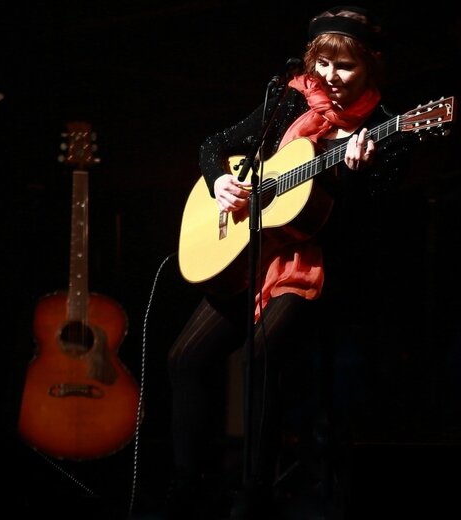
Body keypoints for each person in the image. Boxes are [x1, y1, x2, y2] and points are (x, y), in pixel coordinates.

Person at [167, 6, 420, 519]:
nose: (330, 76)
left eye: (345, 66)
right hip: (251, 253)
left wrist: (355, 176)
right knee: (184, 360)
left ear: (371, 67)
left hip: (320, 267)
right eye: (322, 63)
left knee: (261, 356)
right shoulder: (290, 103)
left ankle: (253, 496)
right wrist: (221, 182)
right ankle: (187, 488)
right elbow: (214, 145)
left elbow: (375, 230)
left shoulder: (392, 129)